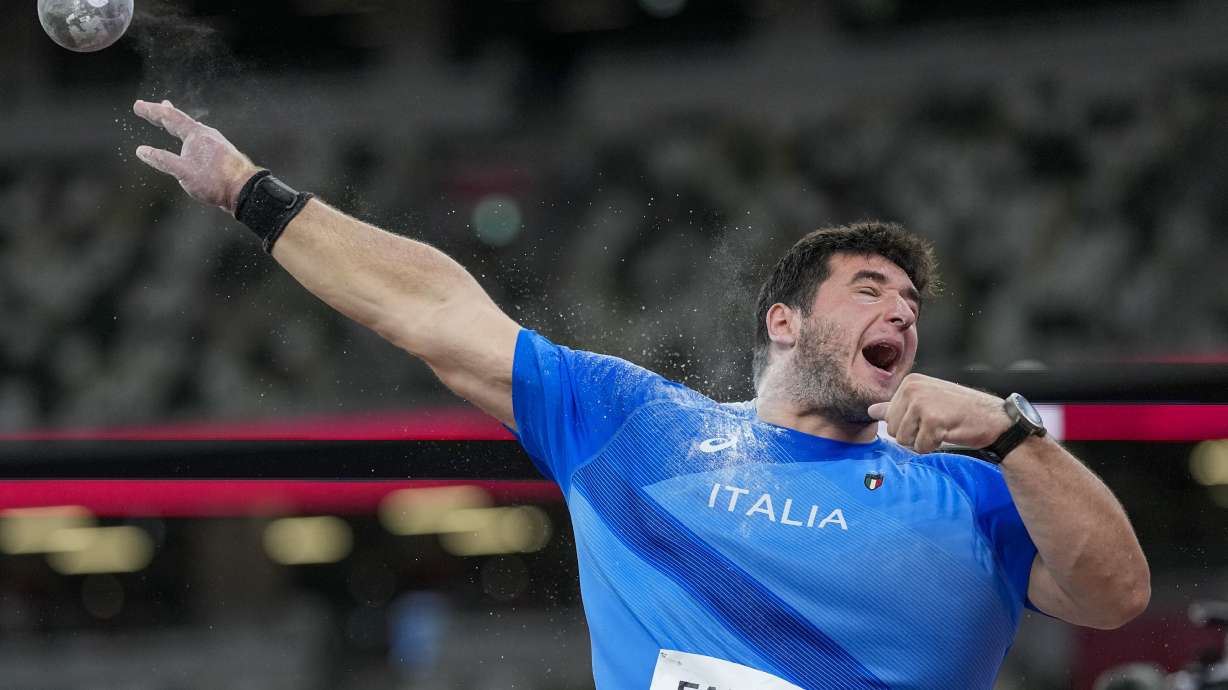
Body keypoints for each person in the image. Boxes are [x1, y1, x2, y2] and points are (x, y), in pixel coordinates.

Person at [131, 99, 1150, 689]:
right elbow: (437, 311)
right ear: (783, 323)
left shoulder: (969, 493)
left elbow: (1116, 599)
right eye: (870, 289)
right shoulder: (640, 426)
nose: (904, 313)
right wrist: (252, 196)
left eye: (913, 304)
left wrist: (1019, 443)